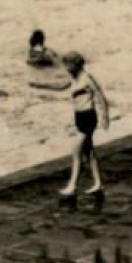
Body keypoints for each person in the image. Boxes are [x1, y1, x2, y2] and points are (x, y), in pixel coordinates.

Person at [34, 51, 108, 196]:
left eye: (68, 65)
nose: (66, 68)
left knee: (76, 151)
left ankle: (72, 186)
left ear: (75, 64)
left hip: (88, 116)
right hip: (79, 116)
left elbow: (100, 97)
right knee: (89, 152)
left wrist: (105, 117)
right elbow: (61, 86)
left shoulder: (87, 78)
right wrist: (41, 86)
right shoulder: (74, 77)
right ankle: (98, 184)